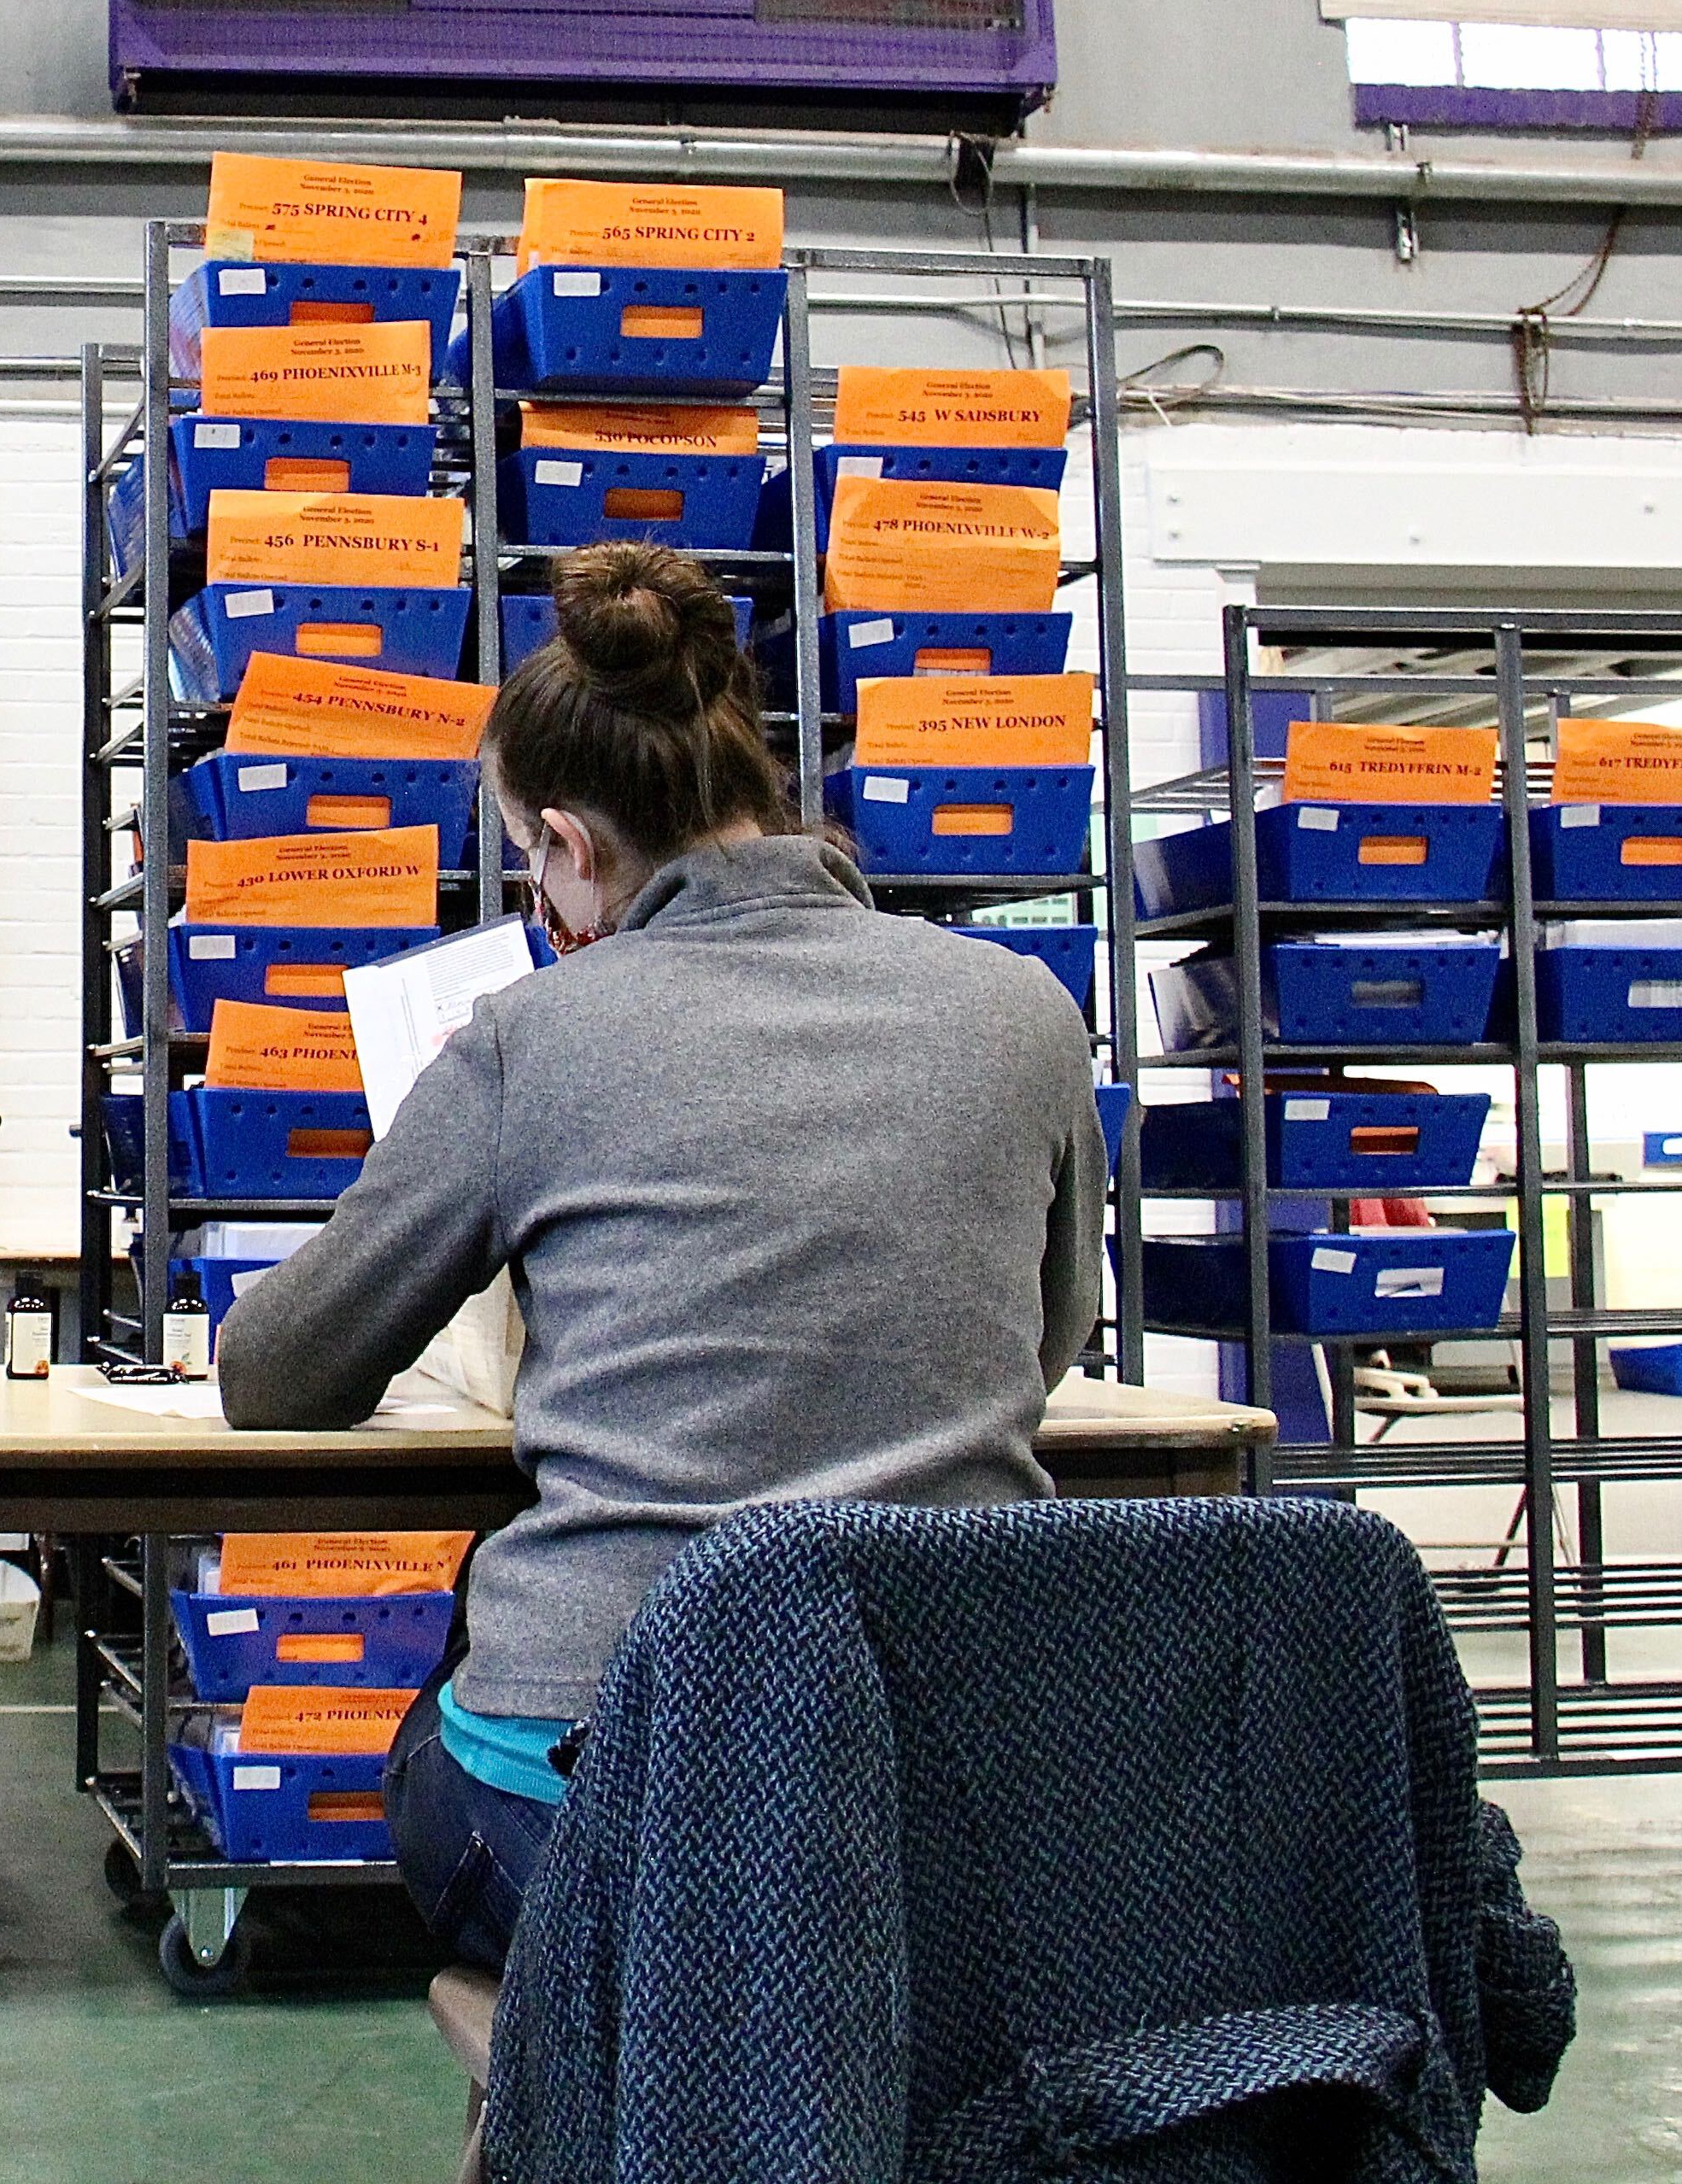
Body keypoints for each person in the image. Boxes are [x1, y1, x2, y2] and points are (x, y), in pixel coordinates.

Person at [217, 542, 1103, 1971]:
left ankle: (584, 2090)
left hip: (611, 1769)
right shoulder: (1019, 1008)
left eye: (523, 857)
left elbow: (276, 1374)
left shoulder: (530, 1036)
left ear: (567, 846)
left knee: (438, 1746)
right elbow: (1050, 1337)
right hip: (953, 1777)